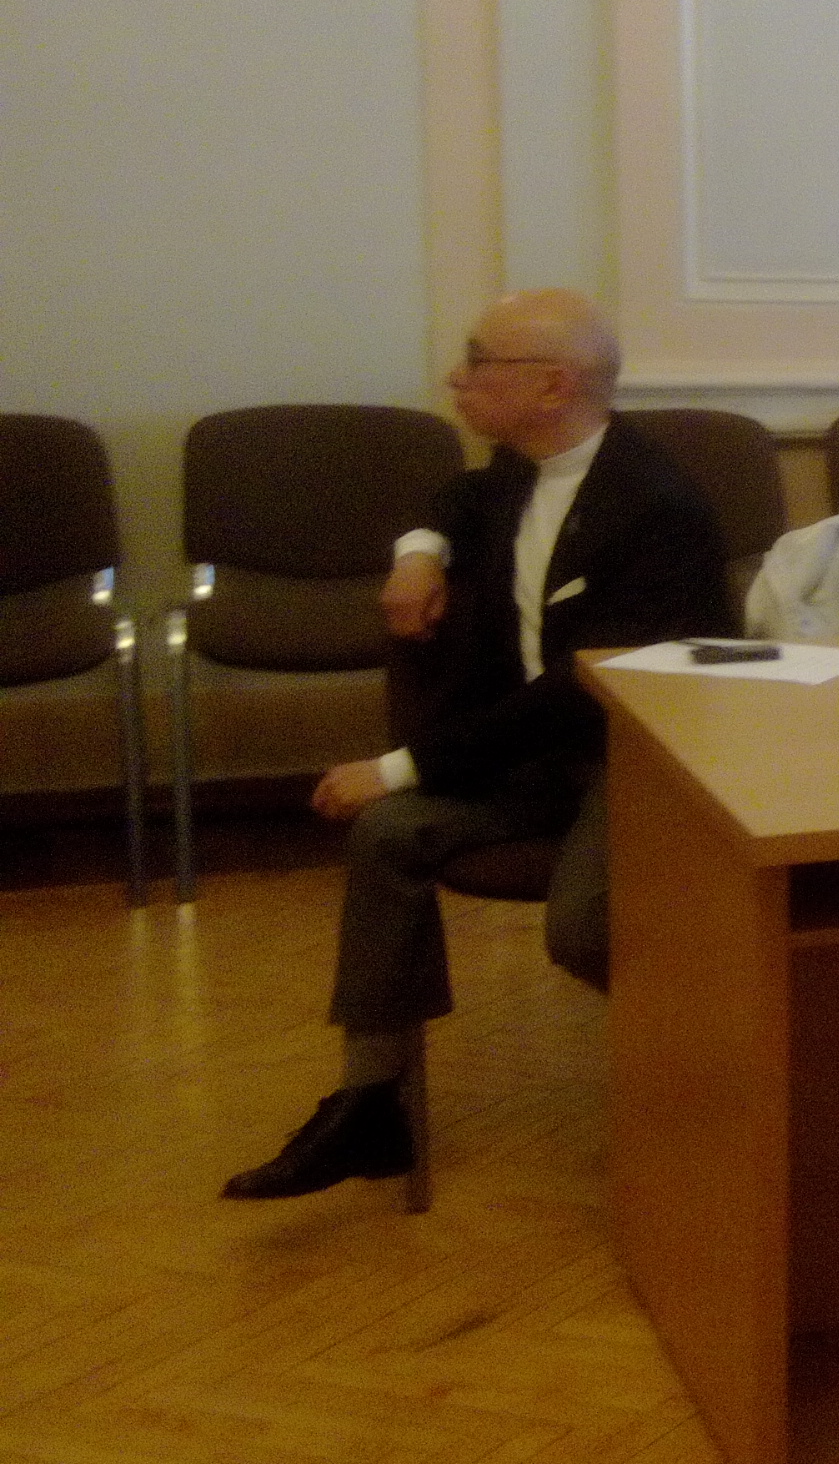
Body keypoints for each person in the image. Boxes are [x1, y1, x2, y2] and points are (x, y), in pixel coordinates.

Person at [225, 290, 734, 1199]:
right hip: (534, 756)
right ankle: (371, 1101)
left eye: (478, 360)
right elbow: (456, 497)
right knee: (388, 835)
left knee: (582, 928)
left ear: (553, 386)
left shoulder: (658, 508)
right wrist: (419, 551)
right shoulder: (515, 469)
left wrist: (401, 766)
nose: (455, 377)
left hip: (629, 754)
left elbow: (580, 694)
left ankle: (726, 1056)